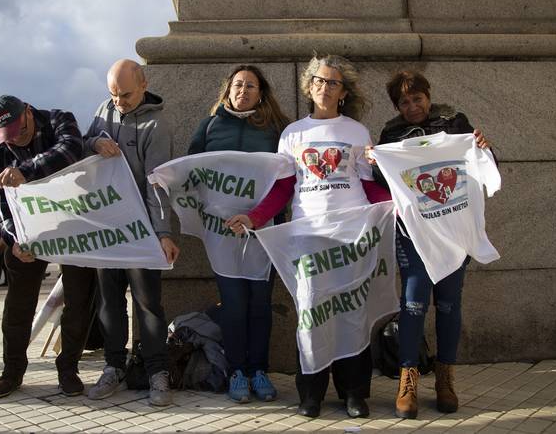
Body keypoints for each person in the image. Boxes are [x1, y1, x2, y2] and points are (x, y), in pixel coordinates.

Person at [226, 54, 389, 419]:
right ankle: (311, 393)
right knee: (312, 312)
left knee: (351, 312)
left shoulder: (357, 132)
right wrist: (255, 217)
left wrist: (397, 204)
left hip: (352, 233)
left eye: (332, 82)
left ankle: (353, 393)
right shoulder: (292, 134)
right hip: (308, 235)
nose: (324, 87)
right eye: (318, 80)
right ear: (309, 86)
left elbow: (368, 185)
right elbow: (284, 187)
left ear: (343, 92)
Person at [370, 70, 490, 419]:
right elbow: (386, 182)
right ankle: (407, 380)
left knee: (449, 304)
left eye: (417, 98)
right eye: (404, 102)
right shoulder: (392, 134)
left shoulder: (455, 124)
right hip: (413, 232)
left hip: (453, 230)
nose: (412, 107)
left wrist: (484, 149)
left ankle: (445, 378)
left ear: (428, 96)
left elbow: (483, 166)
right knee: (413, 303)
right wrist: (376, 163)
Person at [0, 94, 95, 400]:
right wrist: (13, 237)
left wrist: (25, 171)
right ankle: (12, 371)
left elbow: (70, 150)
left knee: (78, 299)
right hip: (27, 232)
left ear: (29, 113)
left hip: (73, 224)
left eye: (19, 131)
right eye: (7, 136)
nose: (14, 140)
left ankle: (68, 369)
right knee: (18, 305)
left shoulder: (59, 120)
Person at [188, 65, 290, 403]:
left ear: (261, 93)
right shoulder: (210, 125)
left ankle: (258, 370)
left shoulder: (276, 128)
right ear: (228, 89)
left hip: (264, 229)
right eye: (238, 84)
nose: (243, 90)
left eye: (250, 86)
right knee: (233, 304)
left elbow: (285, 178)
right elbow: (191, 168)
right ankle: (236, 372)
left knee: (260, 303)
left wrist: (260, 215)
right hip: (222, 231)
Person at [83, 59, 180, 407]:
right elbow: (84, 145)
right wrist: (95, 142)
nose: (118, 102)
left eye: (125, 95)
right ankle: (113, 367)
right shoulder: (104, 110)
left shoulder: (158, 125)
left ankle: (157, 371)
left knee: (148, 303)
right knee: (109, 302)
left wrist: (163, 232)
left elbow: (157, 184)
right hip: (108, 226)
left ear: (143, 86)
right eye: (113, 95)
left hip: (141, 228)